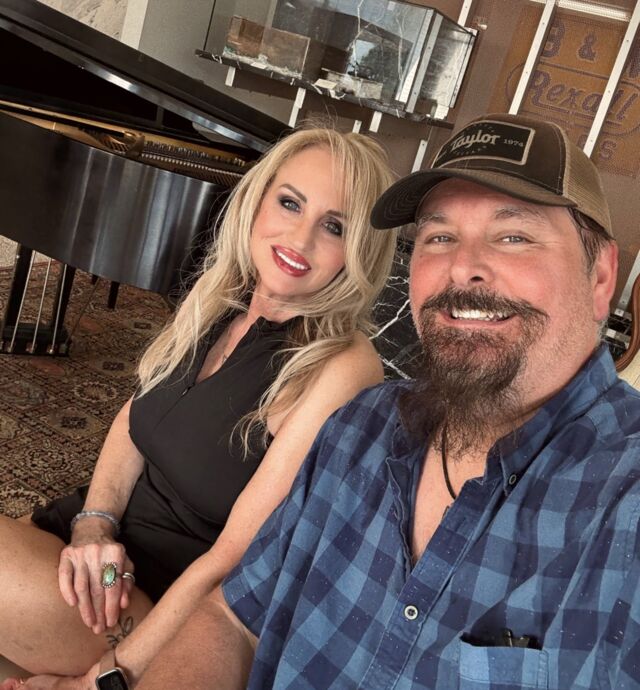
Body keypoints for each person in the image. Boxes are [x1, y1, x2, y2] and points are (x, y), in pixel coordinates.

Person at [135, 112, 640, 690]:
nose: (463, 267)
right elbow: (234, 619)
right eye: (439, 236)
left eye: (513, 236)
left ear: (601, 277)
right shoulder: (361, 427)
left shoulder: (623, 504)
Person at [0, 126, 399, 688]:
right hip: (95, 552)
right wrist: (94, 526)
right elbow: (134, 421)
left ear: (360, 250)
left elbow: (232, 559)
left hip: (154, 607)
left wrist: (100, 680)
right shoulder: (221, 294)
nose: (300, 237)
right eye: (290, 203)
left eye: (335, 226)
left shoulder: (342, 364)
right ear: (258, 199)